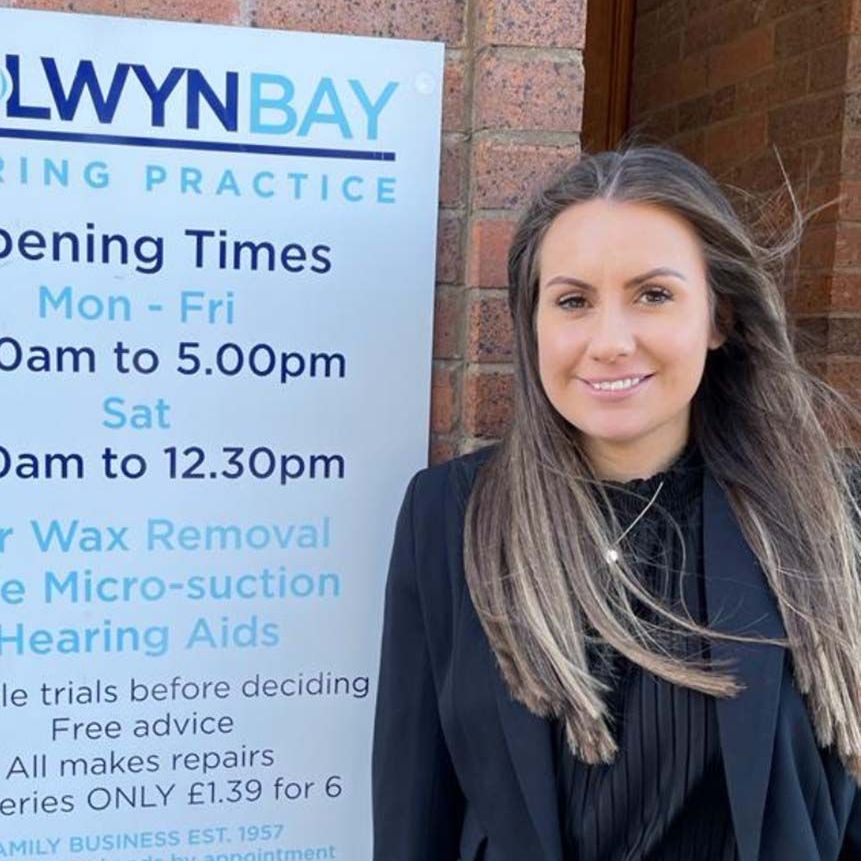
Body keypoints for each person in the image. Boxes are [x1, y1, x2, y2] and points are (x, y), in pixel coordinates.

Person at [371, 144, 861, 861]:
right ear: (532, 321)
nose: (608, 341)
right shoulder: (450, 517)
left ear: (718, 318)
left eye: (653, 294)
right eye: (572, 301)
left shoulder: (826, 510)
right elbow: (413, 809)